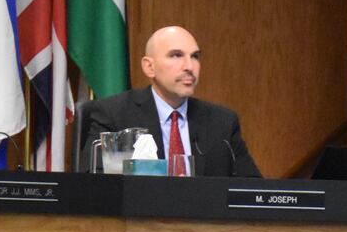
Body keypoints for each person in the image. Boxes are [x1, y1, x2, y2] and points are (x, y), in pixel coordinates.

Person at [78, 25, 260, 177]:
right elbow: (93, 185)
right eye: (176, 55)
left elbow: (252, 190)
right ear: (149, 67)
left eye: (195, 56)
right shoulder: (114, 114)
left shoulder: (222, 123)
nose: (190, 67)